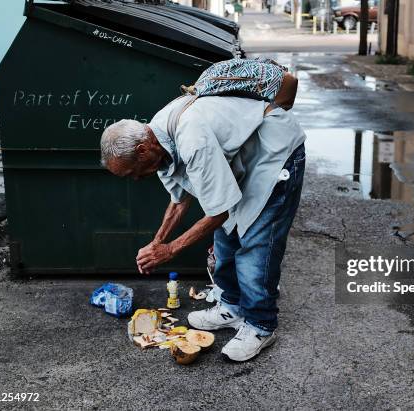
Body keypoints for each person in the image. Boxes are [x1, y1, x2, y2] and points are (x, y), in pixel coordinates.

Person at [100, 95, 305, 361]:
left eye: (132, 173)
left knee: (257, 243)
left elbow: (218, 211)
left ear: (142, 150)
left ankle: (261, 325)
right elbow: (178, 201)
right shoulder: (156, 142)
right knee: (226, 236)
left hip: (274, 153)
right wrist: (157, 243)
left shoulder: (191, 139)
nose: (136, 179)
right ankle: (232, 305)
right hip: (241, 159)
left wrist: (170, 250)